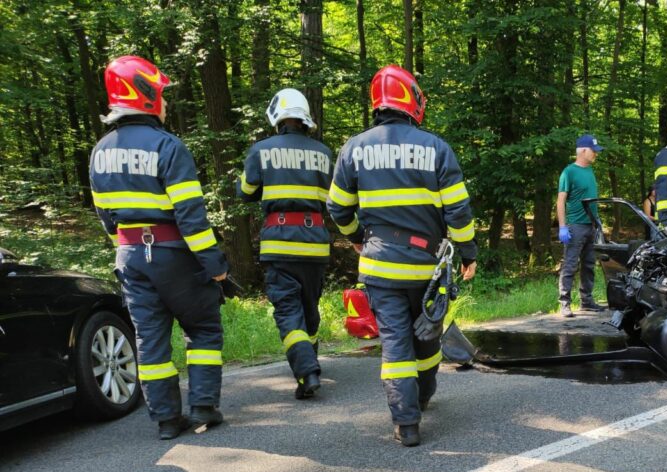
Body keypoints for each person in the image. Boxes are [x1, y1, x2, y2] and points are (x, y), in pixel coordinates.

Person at [327, 65, 477, 447]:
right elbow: (458, 212)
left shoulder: (354, 148)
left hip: (379, 265)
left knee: (394, 342)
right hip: (425, 267)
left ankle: (405, 424)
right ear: (413, 99)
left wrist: (358, 237)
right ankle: (424, 396)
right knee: (426, 337)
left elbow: (338, 208)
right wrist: (468, 252)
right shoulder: (436, 148)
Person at [89, 55, 227, 440]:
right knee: (203, 328)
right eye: (162, 94)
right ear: (146, 95)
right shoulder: (168, 146)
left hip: (130, 256)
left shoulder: (101, 151)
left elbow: (106, 217)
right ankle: (203, 406)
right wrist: (214, 264)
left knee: (150, 339)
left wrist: (129, 250)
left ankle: (167, 420)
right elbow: (190, 216)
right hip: (174, 254)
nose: (165, 102)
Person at [237, 88, 333, 400]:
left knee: (288, 309)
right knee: (309, 307)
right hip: (316, 243)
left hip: (279, 243)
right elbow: (336, 199)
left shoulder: (261, 150)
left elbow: (245, 191)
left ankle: (307, 371)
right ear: (305, 119)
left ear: (278, 118)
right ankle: (311, 358)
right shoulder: (324, 153)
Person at [556, 134, 605, 318]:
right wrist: (562, 226)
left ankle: (587, 301)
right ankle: (564, 303)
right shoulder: (569, 172)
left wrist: (598, 223)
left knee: (589, 265)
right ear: (583, 151)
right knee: (570, 265)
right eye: (594, 151)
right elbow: (560, 201)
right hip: (575, 226)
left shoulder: (590, 171)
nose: (596, 155)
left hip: (591, 225)